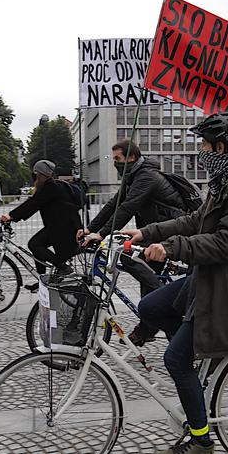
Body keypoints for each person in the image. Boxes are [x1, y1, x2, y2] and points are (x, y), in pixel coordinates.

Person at [120, 113, 228, 454]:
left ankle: (200, 443)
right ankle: (200, 358)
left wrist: (173, 247)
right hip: (213, 279)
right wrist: (147, 233)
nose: (202, 151)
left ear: (221, 147)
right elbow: (196, 221)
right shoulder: (227, 180)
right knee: (150, 307)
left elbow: (227, 243)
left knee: (174, 360)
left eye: (205, 145)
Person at [79, 139, 188, 345]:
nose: (115, 163)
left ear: (132, 157)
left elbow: (127, 207)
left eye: (118, 159)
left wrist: (102, 235)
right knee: (143, 271)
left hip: (167, 231)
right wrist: (91, 229)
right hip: (152, 231)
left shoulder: (146, 176)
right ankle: (149, 324)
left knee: (131, 258)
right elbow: (115, 203)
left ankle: (158, 310)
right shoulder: (134, 176)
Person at [1, 160, 81, 290]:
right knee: (38, 246)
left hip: (64, 228)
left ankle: (63, 268)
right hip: (62, 226)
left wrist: (11, 216)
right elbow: (33, 202)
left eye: (35, 174)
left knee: (35, 244)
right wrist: (14, 216)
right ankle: (43, 280)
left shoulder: (50, 186)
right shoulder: (52, 185)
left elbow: (34, 203)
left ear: (39, 174)